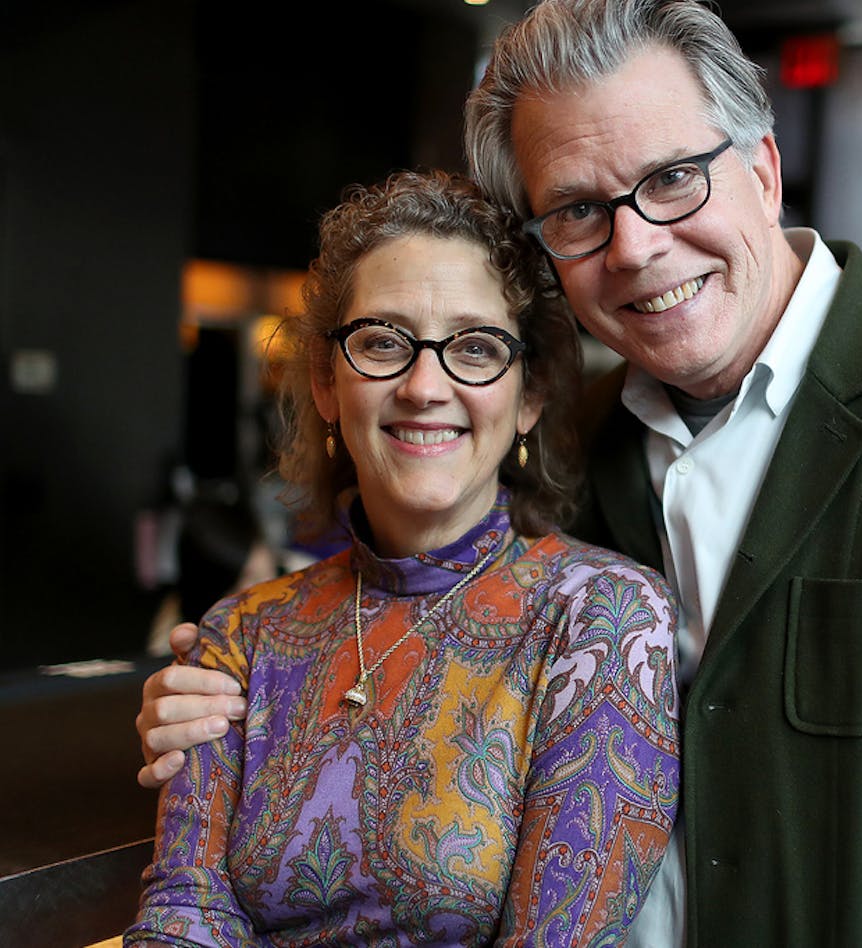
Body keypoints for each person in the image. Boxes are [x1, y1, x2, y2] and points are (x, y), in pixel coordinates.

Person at [137, 1, 862, 944]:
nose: (638, 247)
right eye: (576, 211)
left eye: (670, 181)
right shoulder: (575, 438)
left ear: (764, 170)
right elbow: (441, 657)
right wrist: (220, 709)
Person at [127, 170, 680, 946]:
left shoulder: (600, 620)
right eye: (383, 341)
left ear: (528, 395)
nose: (426, 386)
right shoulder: (245, 631)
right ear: (325, 382)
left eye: (476, 347)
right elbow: (186, 911)